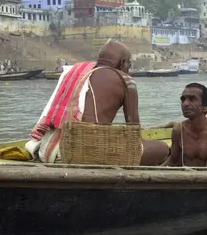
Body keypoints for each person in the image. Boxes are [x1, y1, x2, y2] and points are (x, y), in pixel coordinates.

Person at [26, 39, 169, 165]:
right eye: (129, 66)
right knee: (162, 148)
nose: (128, 71)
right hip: (83, 153)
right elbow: (134, 136)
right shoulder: (125, 80)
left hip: (48, 151)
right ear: (123, 62)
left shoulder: (75, 72)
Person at [162, 83, 207, 167]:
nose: (185, 104)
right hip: (184, 177)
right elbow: (173, 161)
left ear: (205, 107)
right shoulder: (179, 130)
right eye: (183, 99)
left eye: (192, 99)